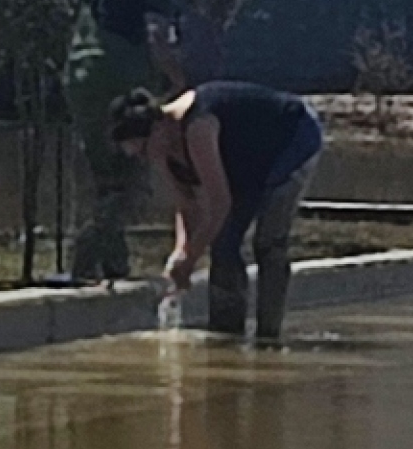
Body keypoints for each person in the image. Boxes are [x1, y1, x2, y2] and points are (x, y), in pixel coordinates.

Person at [111, 81, 325, 345]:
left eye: (144, 150)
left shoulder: (197, 126)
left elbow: (219, 204)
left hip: (291, 139)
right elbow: (187, 205)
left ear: (157, 129)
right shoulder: (161, 149)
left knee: (267, 242)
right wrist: (181, 252)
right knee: (224, 244)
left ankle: (268, 335)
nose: (146, 159)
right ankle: (227, 333)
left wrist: (191, 258)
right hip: (244, 160)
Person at [66, 0, 188, 282]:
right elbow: (157, 35)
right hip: (123, 79)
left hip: (80, 76)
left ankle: (111, 265)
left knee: (100, 173)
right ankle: (87, 249)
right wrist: (179, 82)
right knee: (133, 175)